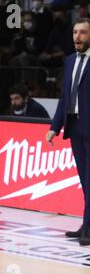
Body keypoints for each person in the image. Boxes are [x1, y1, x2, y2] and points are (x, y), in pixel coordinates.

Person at [46, 18, 90, 246]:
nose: (77, 37)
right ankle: (86, 225)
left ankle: (89, 230)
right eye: (75, 32)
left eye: (82, 32)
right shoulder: (70, 61)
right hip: (74, 127)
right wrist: (55, 127)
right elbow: (65, 97)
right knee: (84, 181)